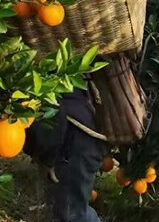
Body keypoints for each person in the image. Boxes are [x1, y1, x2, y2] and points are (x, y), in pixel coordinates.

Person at [24, 88, 108, 222]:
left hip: (77, 140)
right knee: (69, 208)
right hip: (85, 132)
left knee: (72, 213)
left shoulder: (45, 79)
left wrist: (50, 158)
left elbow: (54, 111)